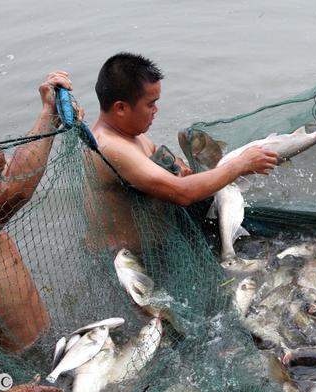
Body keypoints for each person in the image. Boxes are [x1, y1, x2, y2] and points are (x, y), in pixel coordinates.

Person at [86, 52, 278, 253]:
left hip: (159, 245)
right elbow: (182, 193)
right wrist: (240, 164)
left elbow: (157, 153)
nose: (156, 110)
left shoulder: (130, 134)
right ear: (121, 108)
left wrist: (179, 164)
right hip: (130, 262)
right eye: (150, 104)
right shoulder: (111, 147)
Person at [0, 71, 74, 352]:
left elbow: (17, 170)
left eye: (1, 170)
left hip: (46, 340)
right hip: (18, 362)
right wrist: (47, 113)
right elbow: (16, 191)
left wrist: (53, 116)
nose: (3, 177)